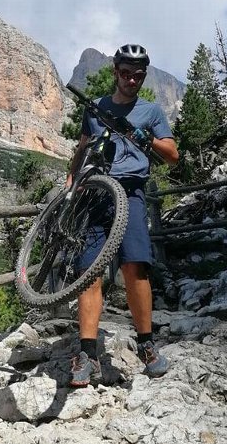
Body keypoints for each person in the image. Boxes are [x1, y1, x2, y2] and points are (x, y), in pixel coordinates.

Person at [66, 43, 179, 387]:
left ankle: (147, 346)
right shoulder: (96, 107)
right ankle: (87, 354)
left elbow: (172, 155)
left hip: (130, 193)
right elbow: (83, 146)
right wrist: (72, 180)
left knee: (135, 267)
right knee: (89, 272)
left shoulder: (151, 112)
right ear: (115, 72)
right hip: (95, 193)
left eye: (139, 75)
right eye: (126, 73)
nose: (132, 80)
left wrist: (147, 139)